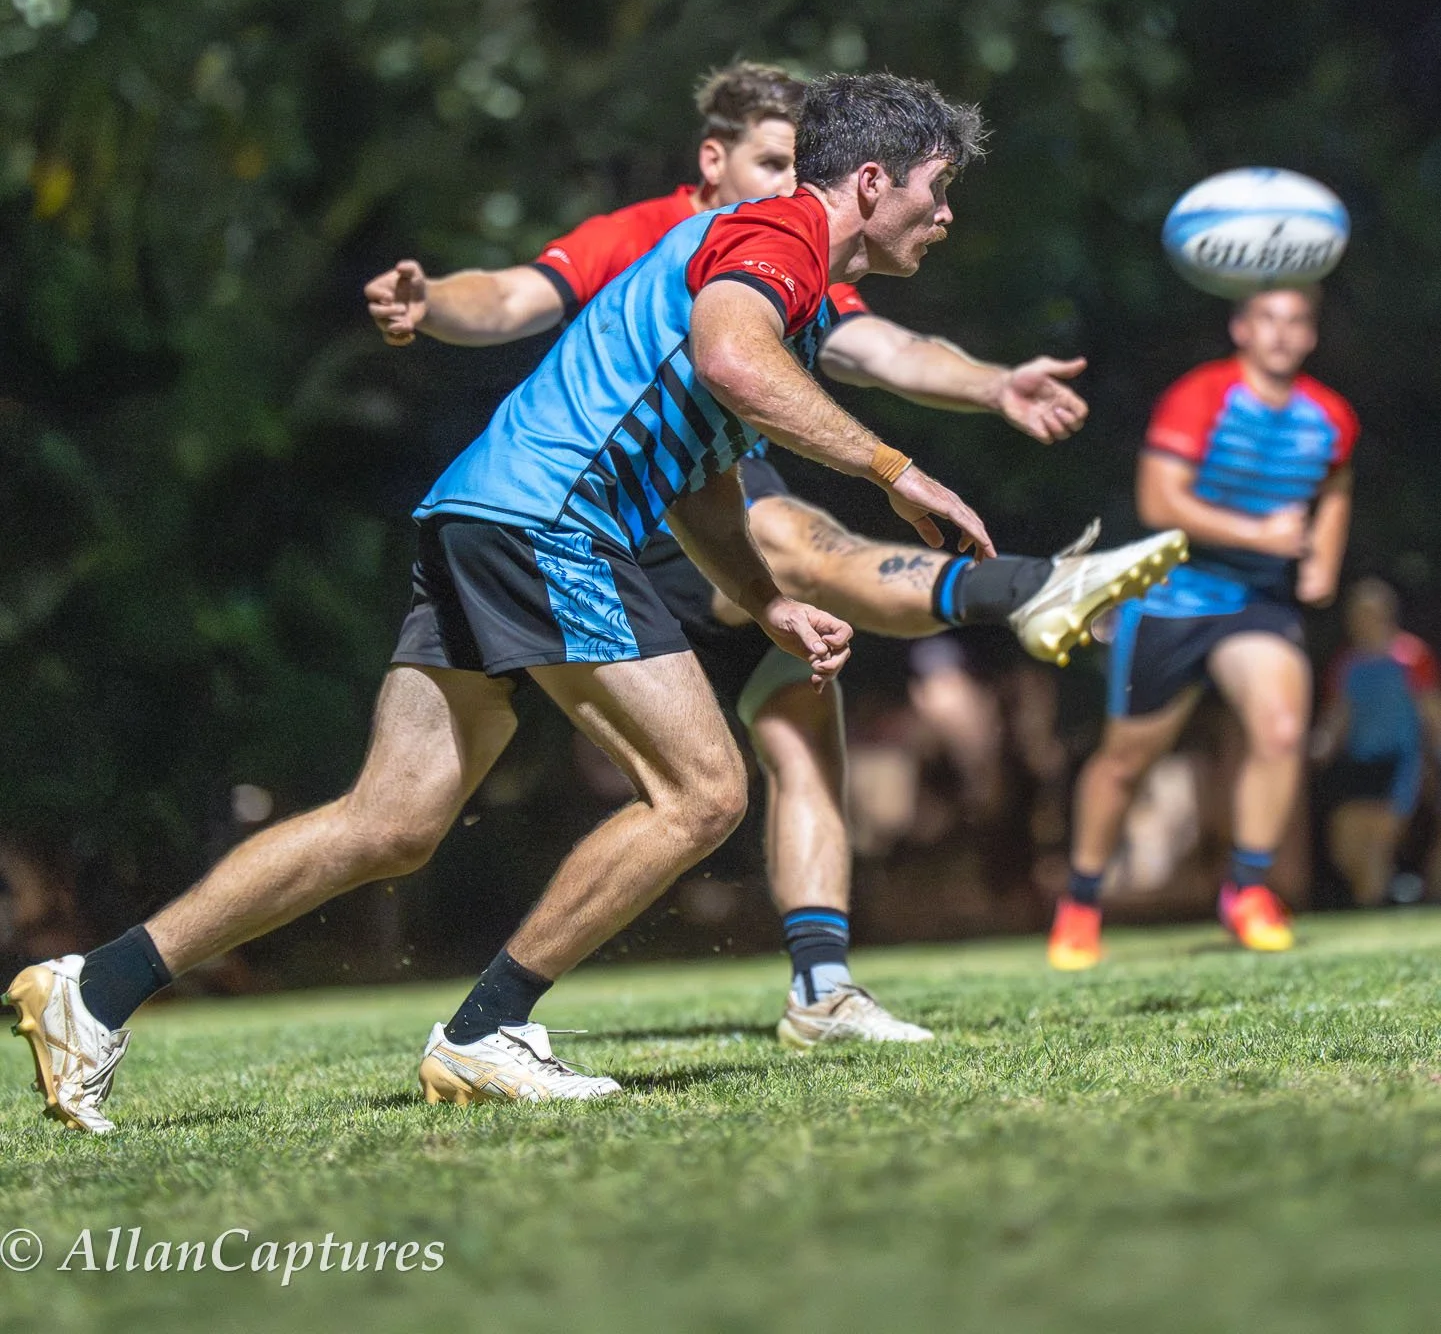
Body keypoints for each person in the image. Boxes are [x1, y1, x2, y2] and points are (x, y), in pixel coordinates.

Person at [10, 72, 1175, 1134]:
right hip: (545, 524)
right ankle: (486, 1030)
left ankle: (93, 988)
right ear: (870, 182)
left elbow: (707, 463)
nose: (946, 213)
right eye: (936, 190)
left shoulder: (798, 286)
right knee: (704, 790)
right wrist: (893, 468)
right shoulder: (773, 232)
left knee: (392, 821)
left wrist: (761, 601)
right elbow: (730, 366)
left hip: (484, 512)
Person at [364, 63, 1182, 1045]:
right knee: (797, 547)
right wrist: (432, 301)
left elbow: (887, 353)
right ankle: (1028, 586)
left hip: (672, 507)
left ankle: (820, 987)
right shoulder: (692, 234)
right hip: (591, 516)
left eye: (803, 163)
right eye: (773, 160)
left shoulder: (806, 264)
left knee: (801, 703)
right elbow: (507, 298)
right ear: (714, 162)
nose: (793, 179)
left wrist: (992, 382)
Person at [1048, 286, 1358, 969]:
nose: (1280, 335)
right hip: (1171, 597)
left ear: (1309, 336)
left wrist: (1322, 563)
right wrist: (1261, 532)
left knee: (1280, 729)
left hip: (1256, 602)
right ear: (1240, 329)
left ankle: (1246, 890)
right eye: (1266, 321)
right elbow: (1157, 500)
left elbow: (1333, 487)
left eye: (1295, 322)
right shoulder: (1201, 397)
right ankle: (1080, 900)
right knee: (1125, 762)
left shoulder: (1327, 415)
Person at [1312, 579, 1441, 907]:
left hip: (1400, 761)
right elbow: (1339, 713)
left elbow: (1430, 711)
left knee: (1377, 843)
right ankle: (1391, 895)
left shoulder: (1411, 657)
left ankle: (1377, 907)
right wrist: (1322, 743)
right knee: (1346, 848)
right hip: (1358, 762)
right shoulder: (1347, 664)